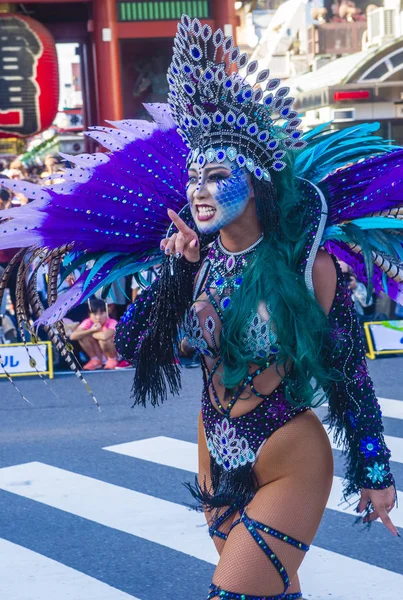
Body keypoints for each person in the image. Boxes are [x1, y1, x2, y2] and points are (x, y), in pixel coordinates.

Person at [0, 14, 401, 599]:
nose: (199, 190)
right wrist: (176, 272)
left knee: (234, 594)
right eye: (194, 177)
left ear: (258, 179)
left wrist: (373, 468)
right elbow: (138, 348)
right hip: (215, 453)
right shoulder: (195, 264)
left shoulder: (309, 265)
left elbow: (348, 373)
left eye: (217, 174)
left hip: (290, 453)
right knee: (275, 593)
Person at [69, 297, 118, 370]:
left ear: (107, 313)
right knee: (82, 337)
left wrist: (92, 334)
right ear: (89, 314)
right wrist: (90, 330)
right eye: (95, 314)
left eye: (101, 313)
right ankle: (95, 360)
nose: (98, 317)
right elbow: (72, 336)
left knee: (104, 340)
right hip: (98, 351)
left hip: (111, 352)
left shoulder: (112, 322)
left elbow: (105, 336)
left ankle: (112, 360)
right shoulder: (88, 322)